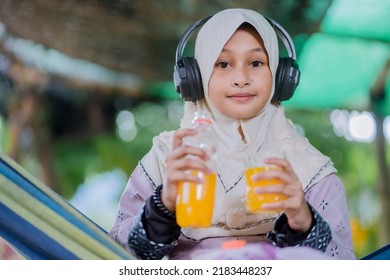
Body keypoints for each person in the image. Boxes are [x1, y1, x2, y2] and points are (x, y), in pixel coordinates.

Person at [109, 8, 356, 260]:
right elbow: (114, 254)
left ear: (281, 77)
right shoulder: (166, 158)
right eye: (223, 64)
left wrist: (304, 223)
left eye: (256, 63)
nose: (241, 78)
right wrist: (164, 204)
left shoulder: (312, 172)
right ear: (196, 75)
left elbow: (343, 265)